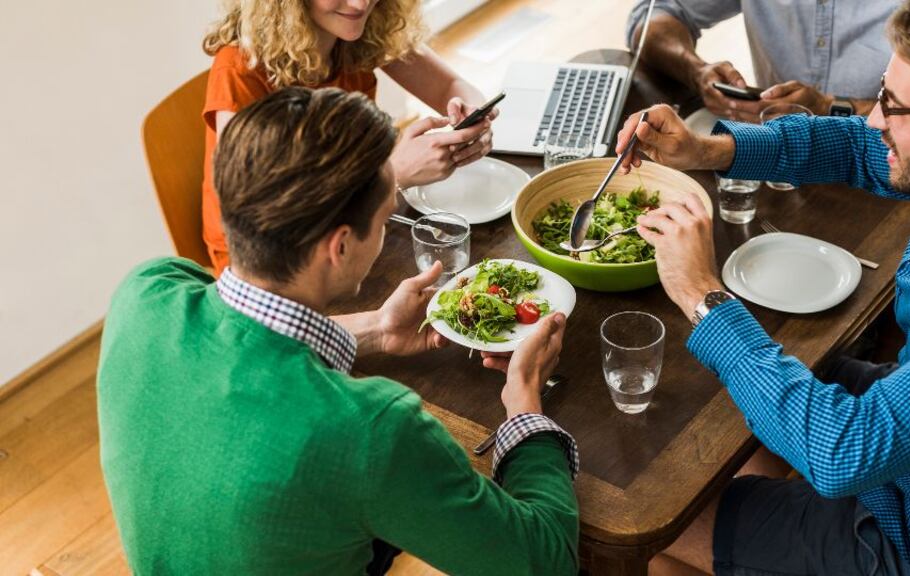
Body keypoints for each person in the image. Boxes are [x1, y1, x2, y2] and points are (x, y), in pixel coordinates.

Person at [99, 87, 579, 575]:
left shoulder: (144, 290)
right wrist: (523, 397)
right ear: (342, 245)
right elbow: (545, 564)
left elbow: (246, 325)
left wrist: (375, 329)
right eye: (385, 213)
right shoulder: (373, 429)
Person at [616, 0, 910, 573]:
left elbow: (842, 452)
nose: (876, 120)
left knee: (647, 524)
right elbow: (857, 145)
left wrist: (701, 295)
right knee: (717, 396)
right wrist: (708, 151)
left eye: (895, 106)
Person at [201, 0, 497, 274]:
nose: (360, 4)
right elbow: (263, 217)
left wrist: (471, 115)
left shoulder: (361, 31)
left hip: (349, 225)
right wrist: (392, 174)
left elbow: (452, 86)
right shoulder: (239, 69)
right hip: (272, 263)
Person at [626, 0, 897, 122]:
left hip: (894, 165)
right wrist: (696, 71)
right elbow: (654, 14)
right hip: (778, 154)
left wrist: (829, 109)